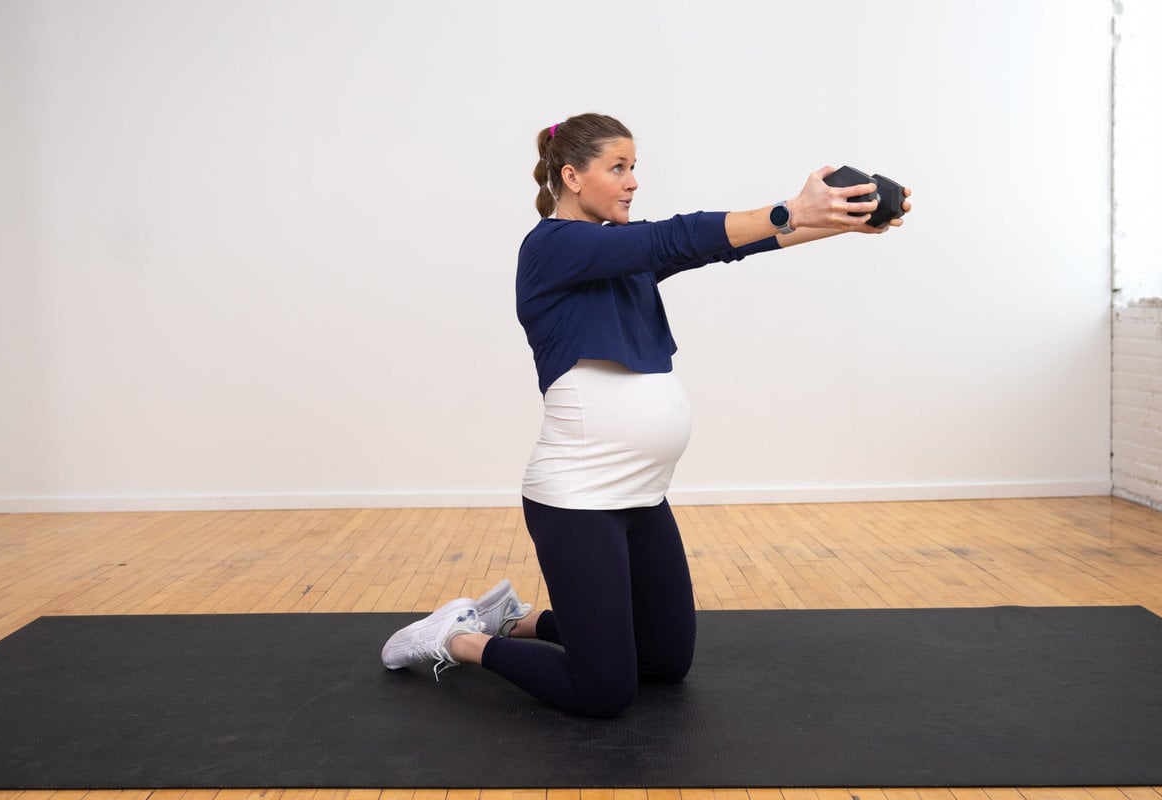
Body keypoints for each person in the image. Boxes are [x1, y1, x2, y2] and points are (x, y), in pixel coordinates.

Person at [381, 112, 912, 717]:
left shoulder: (618, 257)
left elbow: (724, 246)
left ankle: (516, 619)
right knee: (602, 692)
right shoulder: (553, 247)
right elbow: (672, 237)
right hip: (578, 497)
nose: (633, 181)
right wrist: (790, 206)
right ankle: (454, 636)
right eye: (618, 168)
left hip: (641, 494)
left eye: (635, 168)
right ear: (571, 177)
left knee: (665, 663)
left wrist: (838, 219)